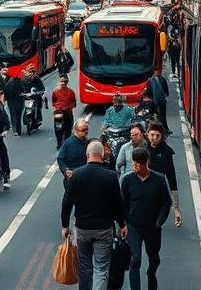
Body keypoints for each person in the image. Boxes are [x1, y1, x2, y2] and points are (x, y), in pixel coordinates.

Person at [61, 140, 126, 290]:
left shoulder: (76, 175)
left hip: (83, 229)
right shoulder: (110, 176)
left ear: (87, 155)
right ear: (102, 155)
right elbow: (118, 203)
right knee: (101, 268)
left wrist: (65, 226)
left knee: (84, 267)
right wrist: (122, 224)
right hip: (104, 229)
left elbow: (66, 202)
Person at [120, 147, 174, 290]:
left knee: (154, 259)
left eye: (139, 164)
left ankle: (151, 276)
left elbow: (166, 202)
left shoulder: (159, 180)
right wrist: (123, 223)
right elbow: (123, 203)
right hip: (134, 226)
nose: (136, 167)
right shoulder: (127, 180)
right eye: (134, 163)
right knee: (135, 258)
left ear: (147, 163)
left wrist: (159, 221)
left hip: (152, 228)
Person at [145, 122, 183, 227]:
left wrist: (176, 209)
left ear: (162, 137)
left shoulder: (166, 152)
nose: (154, 138)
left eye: (157, 136)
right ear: (147, 134)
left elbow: (172, 179)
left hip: (157, 189)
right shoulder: (142, 148)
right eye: (152, 135)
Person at [57, 119, 91, 188]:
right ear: (76, 130)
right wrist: (66, 170)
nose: (86, 131)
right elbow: (60, 159)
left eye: (87, 129)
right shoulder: (68, 143)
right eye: (83, 130)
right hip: (73, 177)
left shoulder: (88, 142)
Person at [52, 75, 77, 149]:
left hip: (58, 111)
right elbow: (73, 102)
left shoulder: (55, 91)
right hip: (66, 111)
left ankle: (59, 143)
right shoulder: (71, 91)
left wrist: (56, 108)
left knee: (57, 127)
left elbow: (53, 101)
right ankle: (66, 142)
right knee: (68, 127)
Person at [3, 71, 24, 136]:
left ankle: (14, 130)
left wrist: (7, 99)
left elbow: (5, 93)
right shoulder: (19, 82)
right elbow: (22, 90)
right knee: (18, 116)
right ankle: (19, 130)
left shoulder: (7, 84)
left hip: (11, 101)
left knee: (13, 115)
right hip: (19, 101)